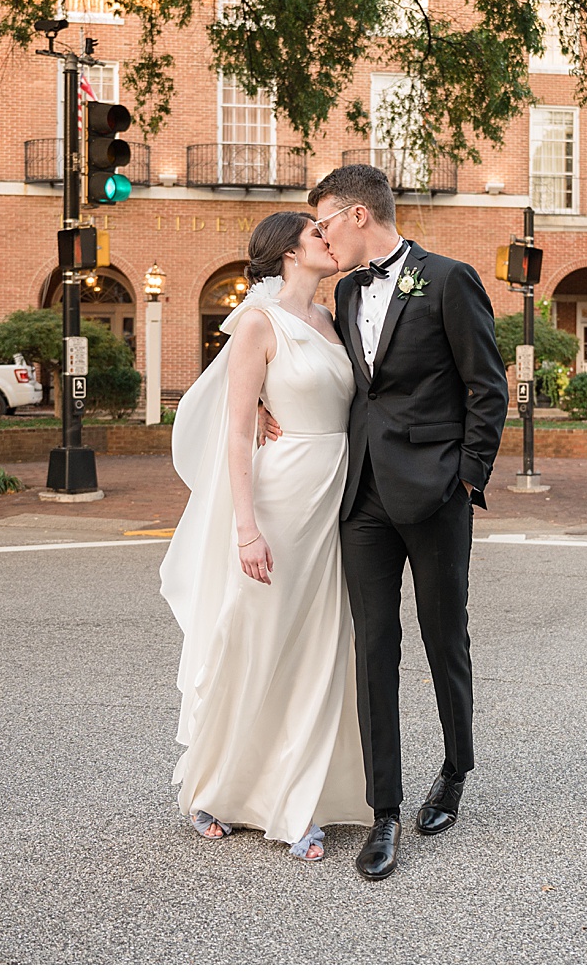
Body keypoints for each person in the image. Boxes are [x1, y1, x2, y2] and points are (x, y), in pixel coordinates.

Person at [294, 163, 508, 882]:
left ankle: (455, 768)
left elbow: (487, 385)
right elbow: (343, 379)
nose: (319, 236)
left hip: (436, 493)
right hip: (365, 500)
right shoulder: (348, 289)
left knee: (446, 637)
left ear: (358, 215)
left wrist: (468, 477)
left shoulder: (448, 279)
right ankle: (384, 810)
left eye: (323, 221)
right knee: (373, 649)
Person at [158, 211, 372, 862]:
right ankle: (217, 788)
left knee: (319, 653)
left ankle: (300, 796)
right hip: (278, 503)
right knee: (260, 644)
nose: (326, 239)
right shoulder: (258, 322)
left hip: (332, 501)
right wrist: (246, 529)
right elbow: (234, 431)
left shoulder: (332, 321)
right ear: (286, 252)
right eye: (314, 233)